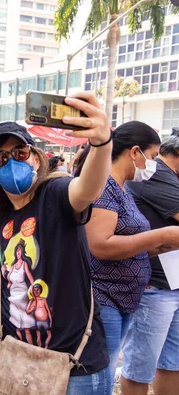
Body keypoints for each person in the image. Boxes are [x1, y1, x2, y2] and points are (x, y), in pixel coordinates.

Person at [0, 92, 113, 394]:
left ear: (36, 157)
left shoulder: (55, 195)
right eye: (0, 158)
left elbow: (87, 189)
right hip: (13, 359)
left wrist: (101, 143)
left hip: (72, 367)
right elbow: (3, 285)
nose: (10, 162)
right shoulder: (0, 223)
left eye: (19, 152)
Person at [83, 121, 179, 395]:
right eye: (151, 157)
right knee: (101, 375)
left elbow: (130, 243)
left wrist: (162, 246)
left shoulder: (121, 188)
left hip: (124, 296)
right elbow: (100, 245)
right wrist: (162, 236)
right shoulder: (104, 186)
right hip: (105, 296)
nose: (153, 164)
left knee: (106, 371)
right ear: (134, 152)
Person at [121, 135, 179, 395]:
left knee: (173, 363)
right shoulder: (157, 174)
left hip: (173, 282)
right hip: (155, 288)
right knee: (139, 367)